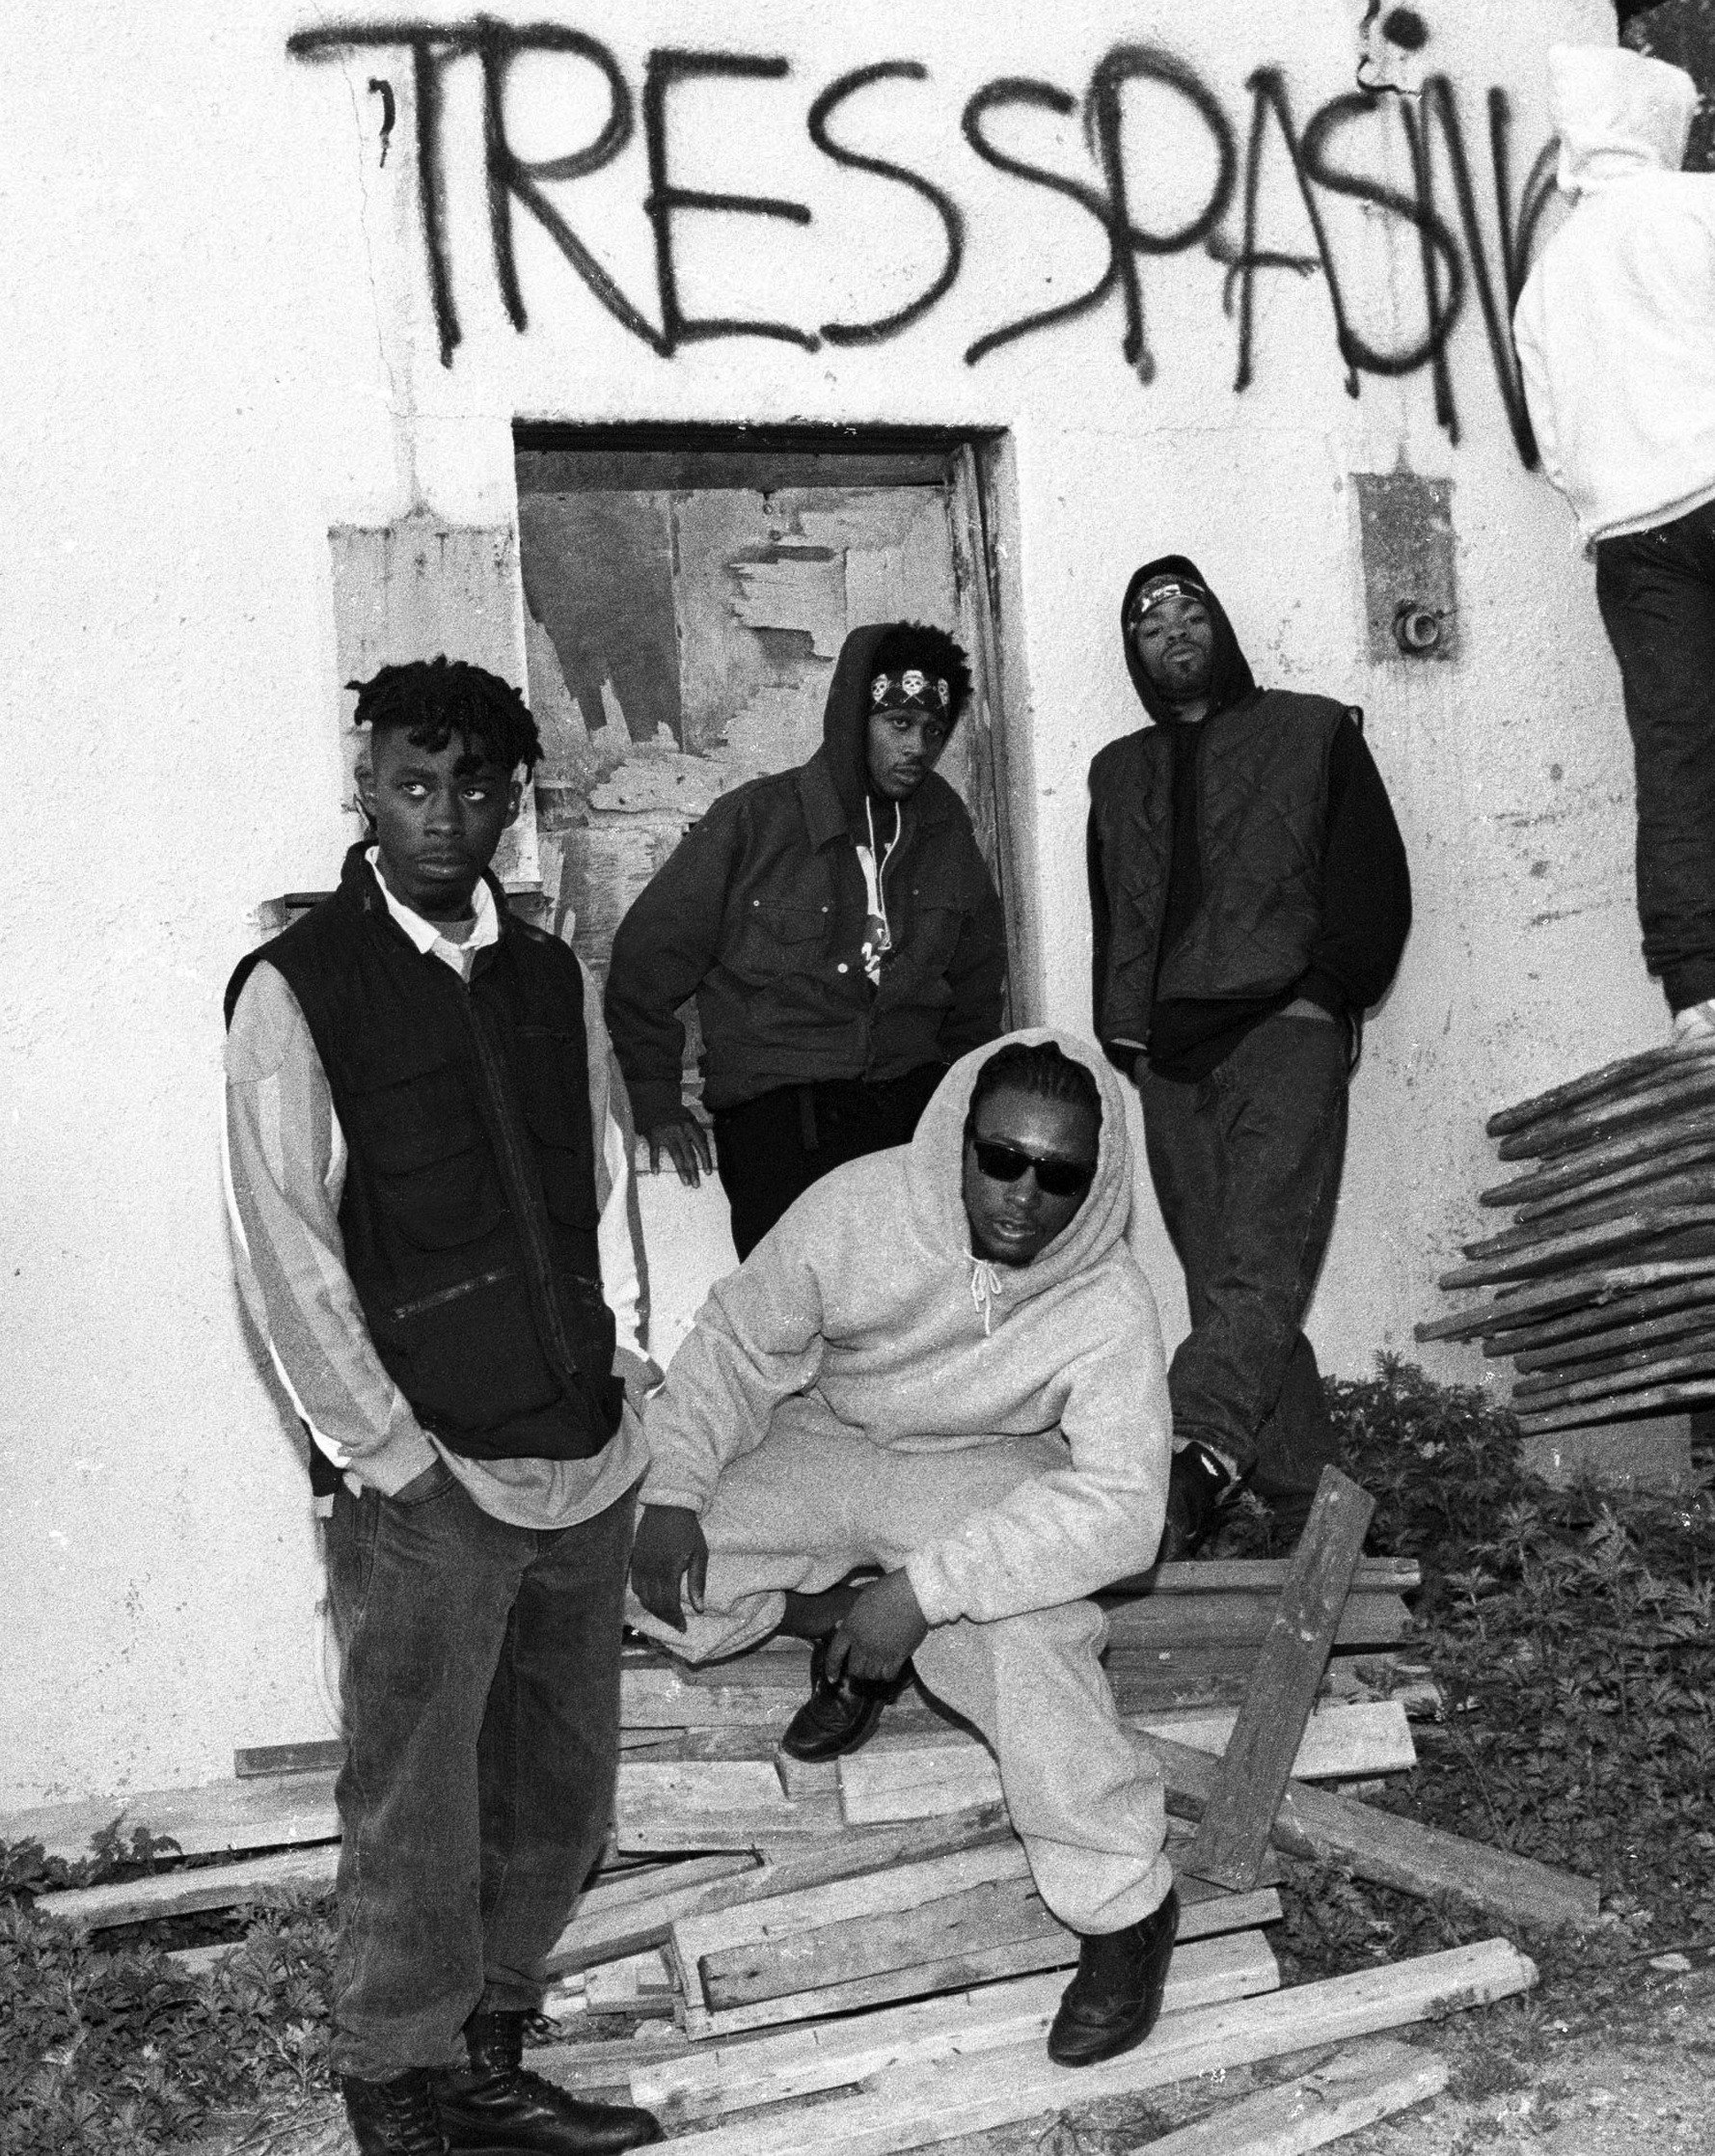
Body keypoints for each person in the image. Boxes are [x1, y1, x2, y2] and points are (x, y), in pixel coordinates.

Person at [223, 657, 662, 2156]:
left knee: (561, 1789)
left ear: (513, 801)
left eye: (477, 786)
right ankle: (394, 2088)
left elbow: (605, 1188)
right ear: (365, 787)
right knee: (413, 1802)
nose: (444, 815)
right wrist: (385, 1456)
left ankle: (488, 2053)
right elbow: (280, 1241)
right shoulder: (299, 987)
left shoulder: (551, 974)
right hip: (431, 1478)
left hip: (577, 1456)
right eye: (414, 783)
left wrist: (633, 1374)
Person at [627, 1031, 1181, 2068]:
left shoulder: (1107, 1300)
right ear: (958, 1141)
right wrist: (671, 1486)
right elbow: (740, 1346)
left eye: (1058, 1174)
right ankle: (837, 1623)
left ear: (1095, 1181)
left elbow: (1120, 1508)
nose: (1022, 1194)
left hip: (981, 1471)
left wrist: (927, 1591)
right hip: (831, 1440)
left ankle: (1123, 1907)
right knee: (629, 1560)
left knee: (1024, 1632)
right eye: (999, 1158)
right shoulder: (855, 1206)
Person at [1088, 560, 1411, 1556]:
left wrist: (1322, 992)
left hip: (1283, 1029)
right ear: (1135, 656)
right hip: (1171, 1053)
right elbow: (1112, 911)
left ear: (1220, 626)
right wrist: (1125, 1037)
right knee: (1231, 1279)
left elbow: (1374, 882)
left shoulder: (1310, 730)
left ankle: (1187, 1458)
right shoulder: (1116, 769)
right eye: (1148, 623)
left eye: (1189, 610)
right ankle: (1304, 1501)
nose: (1172, 630)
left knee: (1256, 1268)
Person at [604, 620, 1007, 1258]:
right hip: (782, 1122)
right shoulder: (755, 822)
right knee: (793, 1327)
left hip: (908, 1116)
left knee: (916, 1325)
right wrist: (656, 1100)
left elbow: (979, 985)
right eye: (898, 724)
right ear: (854, 718)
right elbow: (643, 966)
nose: (918, 749)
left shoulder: (944, 827)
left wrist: (959, 1105)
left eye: (932, 731)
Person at [1512, 44, 1715, 1040]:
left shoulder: (1546, 277)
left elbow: (1554, 446)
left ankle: (1697, 994)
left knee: (1673, 755)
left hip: (1634, 540)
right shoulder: (1698, 210)